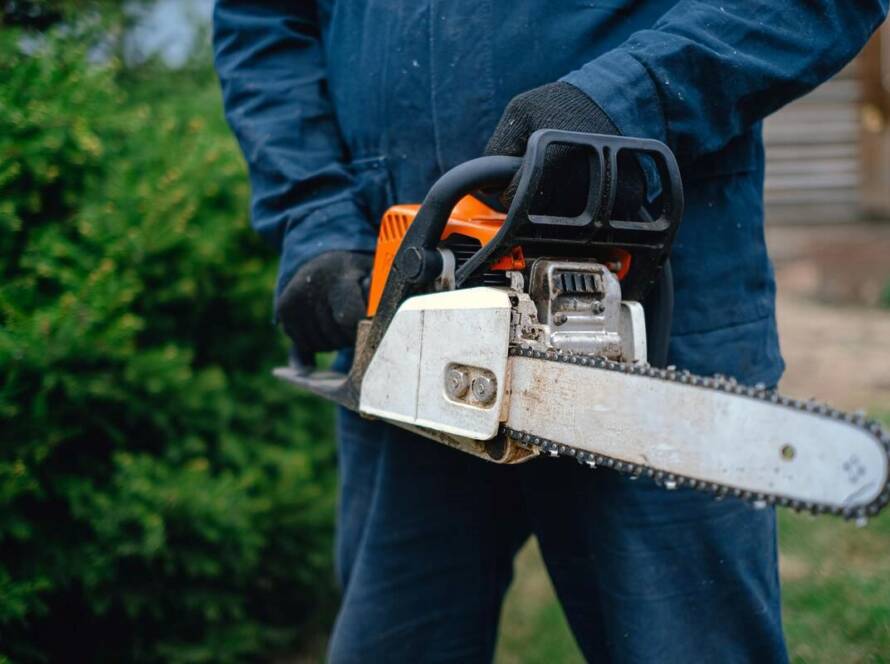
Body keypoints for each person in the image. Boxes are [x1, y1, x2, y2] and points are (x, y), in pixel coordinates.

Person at [213, 2, 887, 661]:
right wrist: (315, 216)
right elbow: (263, 18)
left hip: (651, 287)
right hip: (403, 303)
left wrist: (629, 99)